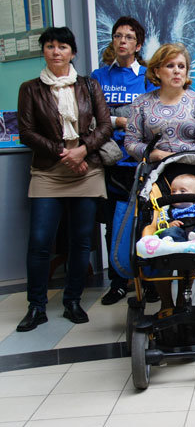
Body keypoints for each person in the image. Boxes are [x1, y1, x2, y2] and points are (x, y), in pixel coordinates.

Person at [16, 27, 112, 331]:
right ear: (43, 51)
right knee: (40, 240)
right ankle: (36, 306)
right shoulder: (30, 89)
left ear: (72, 52)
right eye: (49, 46)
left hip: (86, 169)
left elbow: (106, 126)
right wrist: (64, 153)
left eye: (62, 46)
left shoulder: (89, 85)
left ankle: (73, 300)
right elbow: (26, 132)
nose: (55, 52)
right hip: (48, 171)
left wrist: (82, 151)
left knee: (81, 239)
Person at [125, 43, 195, 309]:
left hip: (192, 176)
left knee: (189, 232)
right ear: (157, 70)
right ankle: (165, 303)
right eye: (170, 66)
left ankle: (184, 294)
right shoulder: (142, 103)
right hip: (156, 179)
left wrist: (174, 154)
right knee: (159, 234)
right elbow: (130, 142)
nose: (177, 71)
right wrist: (156, 155)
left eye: (181, 66)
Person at [91, 16, 158, 306]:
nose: (122, 41)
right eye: (118, 36)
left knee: (145, 221)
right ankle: (119, 282)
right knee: (113, 224)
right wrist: (122, 117)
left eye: (129, 37)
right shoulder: (98, 76)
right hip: (110, 162)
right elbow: (91, 116)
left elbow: (149, 117)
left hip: (141, 161)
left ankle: (148, 279)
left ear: (138, 44)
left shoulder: (146, 76)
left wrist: (112, 118)